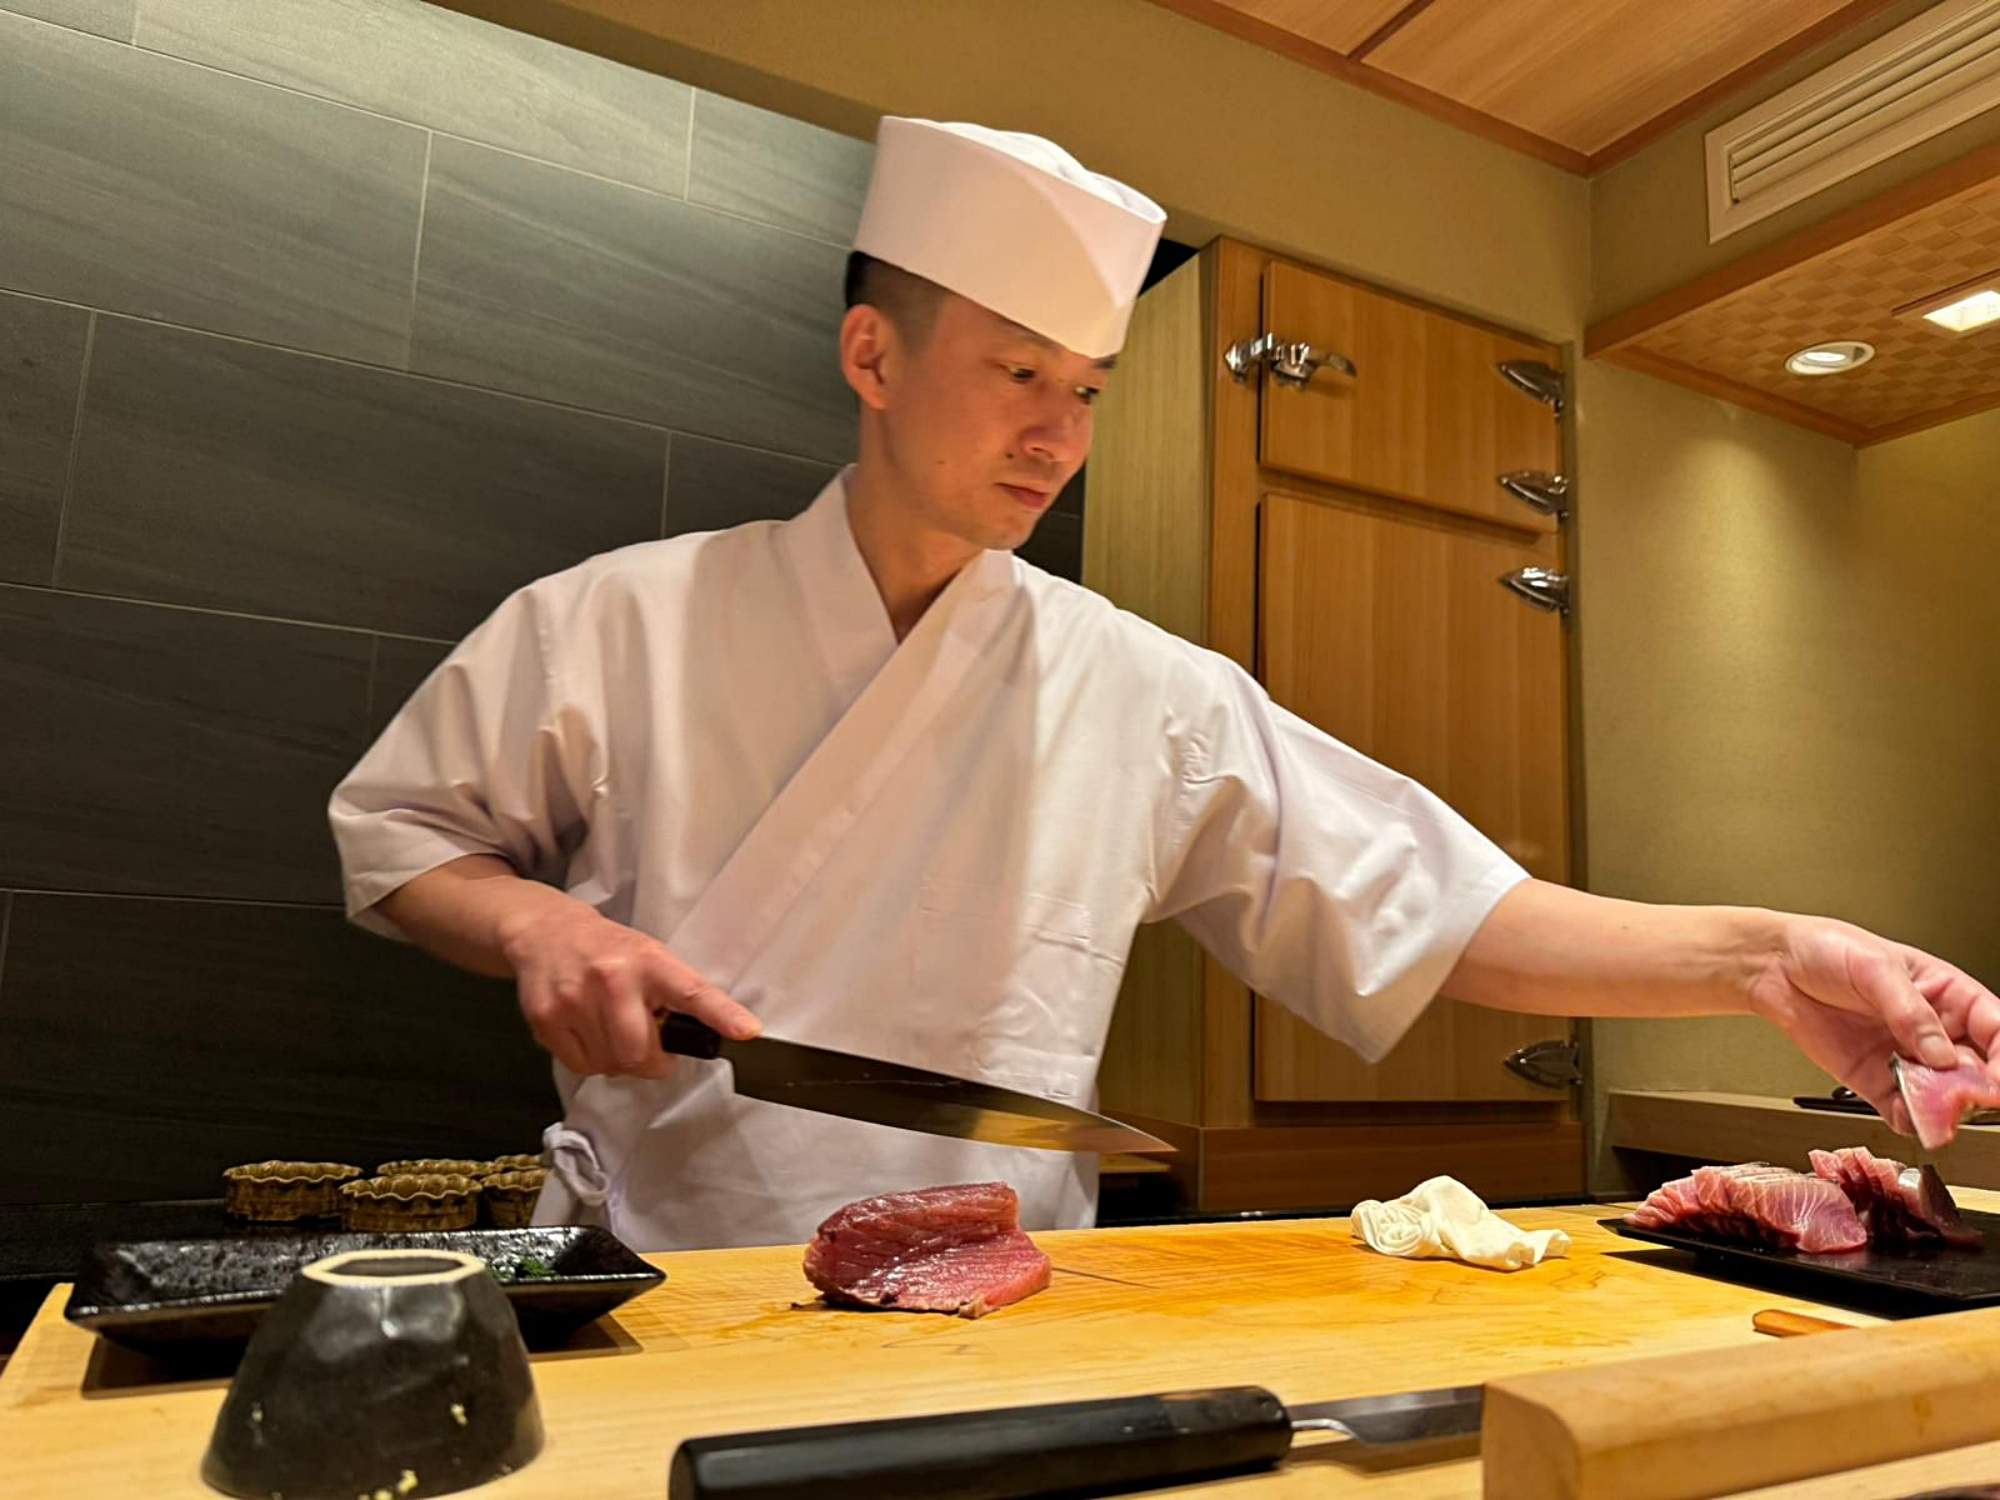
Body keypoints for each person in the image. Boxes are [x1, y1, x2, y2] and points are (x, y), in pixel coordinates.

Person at [330, 117, 1998, 1251]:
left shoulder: (1141, 687)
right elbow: (403, 839)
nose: (1058, 434)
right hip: (657, 1278)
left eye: (1090, 388)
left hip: (996, 1292)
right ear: (874, 358)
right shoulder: (615, 617)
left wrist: (1771, 954)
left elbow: (1450, 908)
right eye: (1014, 374)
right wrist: (544, 926)